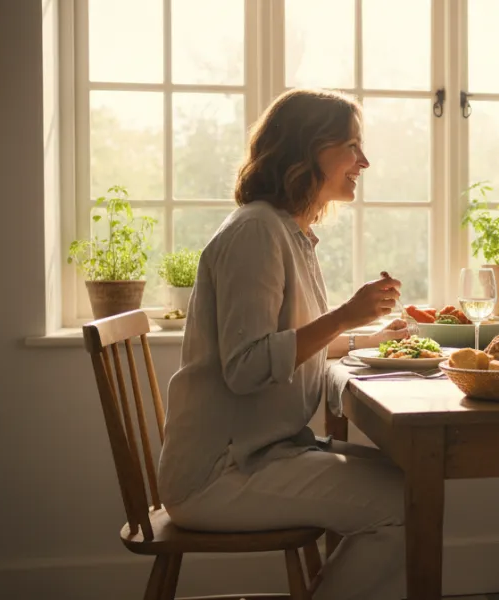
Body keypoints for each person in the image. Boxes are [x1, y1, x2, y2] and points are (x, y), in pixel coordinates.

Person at [157, 88, 408, 600]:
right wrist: (344, 315)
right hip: (217, 474)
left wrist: (363, 334)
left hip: (262, 453)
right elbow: (247, 367)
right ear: (310, 149)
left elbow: (287, 343)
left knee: (411, 481)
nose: (364, 161)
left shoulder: (287, 231)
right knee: (405, 504)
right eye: (351, 147)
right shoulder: (256, 233)